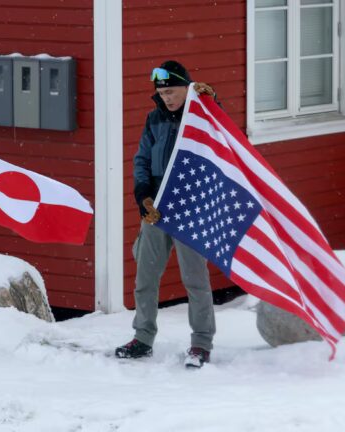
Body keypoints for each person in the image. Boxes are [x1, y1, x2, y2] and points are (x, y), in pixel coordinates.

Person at [115, 60, 217, 369]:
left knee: (195, 280)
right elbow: (141, 159)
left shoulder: (200, 114)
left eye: (171, 92)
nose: (166, 98)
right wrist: (143, 195)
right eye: (161, 93)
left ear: (187, 89)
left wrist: (210, 100)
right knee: (145, 277)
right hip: (156, 205)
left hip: (190, 206)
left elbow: (219, 130)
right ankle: (142, 338)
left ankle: (201, 343)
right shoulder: (153, 119)